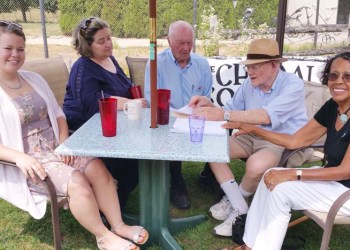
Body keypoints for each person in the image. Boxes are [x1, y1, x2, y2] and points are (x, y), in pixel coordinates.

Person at [0, 20, 148, 249]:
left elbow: (58, 114)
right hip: (30, 160)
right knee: (77, 181)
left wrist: (63, 141)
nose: (15, 54)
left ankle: (118, 226)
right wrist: (20, 158)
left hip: (58, 146)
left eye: (20, 49)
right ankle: (104, 236)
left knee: (99, 169)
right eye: (8, 48)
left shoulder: (34, 79)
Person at [223, 51, 350, 250]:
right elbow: (295, 141)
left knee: (281, 189)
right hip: (334, 183)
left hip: (346, 192)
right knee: (270, 176)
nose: (339, 81)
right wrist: (256, 130)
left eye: (347, 76)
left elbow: (345, 171)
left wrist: (293, 174)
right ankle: (250, 244)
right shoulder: (333, 107)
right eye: (333, 75)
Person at [188, 38, 313, 236]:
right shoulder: (250, 83)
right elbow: (230, 110)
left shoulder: (293, 84)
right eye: (248, 67)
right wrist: (208, 104)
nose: (249, 71)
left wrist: (223, 115)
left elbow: (266, 116)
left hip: (282, 140)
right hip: (250, 134)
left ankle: (235, 207)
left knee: (255, 166)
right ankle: (239, 205)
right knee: (211, 149)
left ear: (274, 65)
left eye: (255, 66)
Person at [63, 17, 147, 210]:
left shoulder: (109, 59)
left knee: (140, 157)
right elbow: (94, 104)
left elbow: (124, 87)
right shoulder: (83, 68)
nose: (109, 44)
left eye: (109, 38)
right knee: (131, 163)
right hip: (85, 129)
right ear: (87, 45)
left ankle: (115, 200)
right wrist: (129, 103)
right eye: (101, 41)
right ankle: (111, 211)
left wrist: (134, 101)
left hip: (114, 123)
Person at [144, 20, 212, 210]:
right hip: (168, 118)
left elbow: (206, 95)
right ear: (168, 41)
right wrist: (174, 115)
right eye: (180, 43)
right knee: (169, 131)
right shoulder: (156, 63)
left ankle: (209, 175)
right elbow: (151, 99)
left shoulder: (202, 64)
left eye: (189, 43)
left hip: (195, 116)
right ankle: (177, 182)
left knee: (222, 128)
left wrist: (200, 105)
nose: (185, 48)